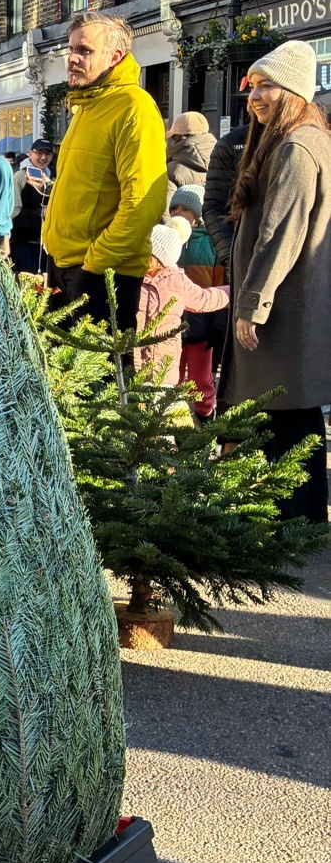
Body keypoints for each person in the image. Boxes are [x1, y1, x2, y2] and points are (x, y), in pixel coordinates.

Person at [221, 41, 331, 523]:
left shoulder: (296, 146)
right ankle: (301, 521)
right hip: (289, 303)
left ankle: (289, 525)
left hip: (284, 306)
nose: (255, 96)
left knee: (285, 412)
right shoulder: (297, 139)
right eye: (254, 85)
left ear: (294, 92)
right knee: (293, 412)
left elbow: (281, 231)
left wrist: (253, 303)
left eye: (268, 85)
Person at [42, 12, 167, 328]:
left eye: (84, 50)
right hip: (69, 268)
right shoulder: (86, 106)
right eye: (71, 49)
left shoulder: (134, 107)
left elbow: (143, 204)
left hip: (103, 275)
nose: (72, 58)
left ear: (116, 57)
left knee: (101, 376)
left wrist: (94, 264)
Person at [137, 222, 229, 405]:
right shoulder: (133, 279)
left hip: (163, 368)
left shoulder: (177, 280)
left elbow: (204, 298)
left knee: (160, 413)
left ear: (158, 257)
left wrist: (231, 292)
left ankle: (201, 416)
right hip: (133, 363)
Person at [168, 185, 226, 417]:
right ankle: (174, 422)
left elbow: (220, 285)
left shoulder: (212, 244)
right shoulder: (165, 242)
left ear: (199, 216)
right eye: (174, 209)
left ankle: (204, 416)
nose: (178, 214)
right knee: (173, 377)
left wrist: (218, 324)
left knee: (200, 379)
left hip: (202, 326)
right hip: (171, 326)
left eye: (185, 210)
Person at [202, 120, 249, 269]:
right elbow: (214, 207)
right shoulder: (232, 143)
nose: (254, 97)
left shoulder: (307, 140)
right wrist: (232, 258)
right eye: (250, 94)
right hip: (243, 258)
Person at [10, 138, 54, 275]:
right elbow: (14, 211)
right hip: (22, 241)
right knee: (29, 281)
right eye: (39, 153)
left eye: (47, 154)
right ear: (30, 154)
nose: (43, 157)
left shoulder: (51, 176)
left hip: (44, 243)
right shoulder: (20, 176)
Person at [165, 111, 215, 193]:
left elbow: (166, 204)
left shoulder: (171, 172)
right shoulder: (225, 162)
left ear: (180, 137)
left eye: (173, 137)